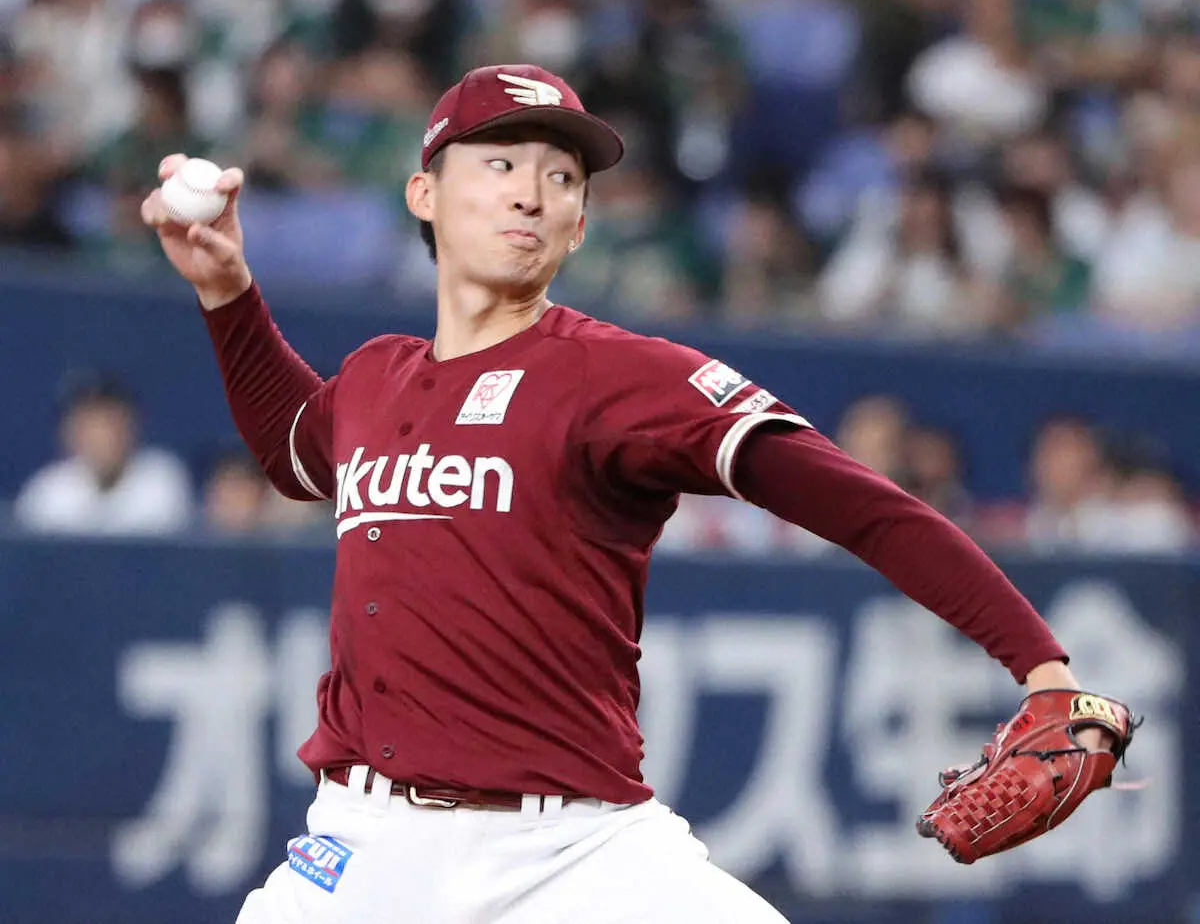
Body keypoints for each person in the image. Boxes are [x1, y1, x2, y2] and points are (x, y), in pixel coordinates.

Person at [142, 63, 1114, 924]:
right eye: (501, 162)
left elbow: (859, 502)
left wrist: (1040, 663)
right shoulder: (374, 377)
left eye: (562, 177)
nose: (531, 191)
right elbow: (295, 454)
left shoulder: (621, 377)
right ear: (423, 193)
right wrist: (227, 293)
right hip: (363, 847)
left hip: (574, 854)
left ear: (580, 224)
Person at [14, 370, 193, 536]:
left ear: (131, 425)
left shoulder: (162, 480)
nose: (100, 434)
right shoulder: (47, 492)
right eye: (88, 423)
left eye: (109, 421)